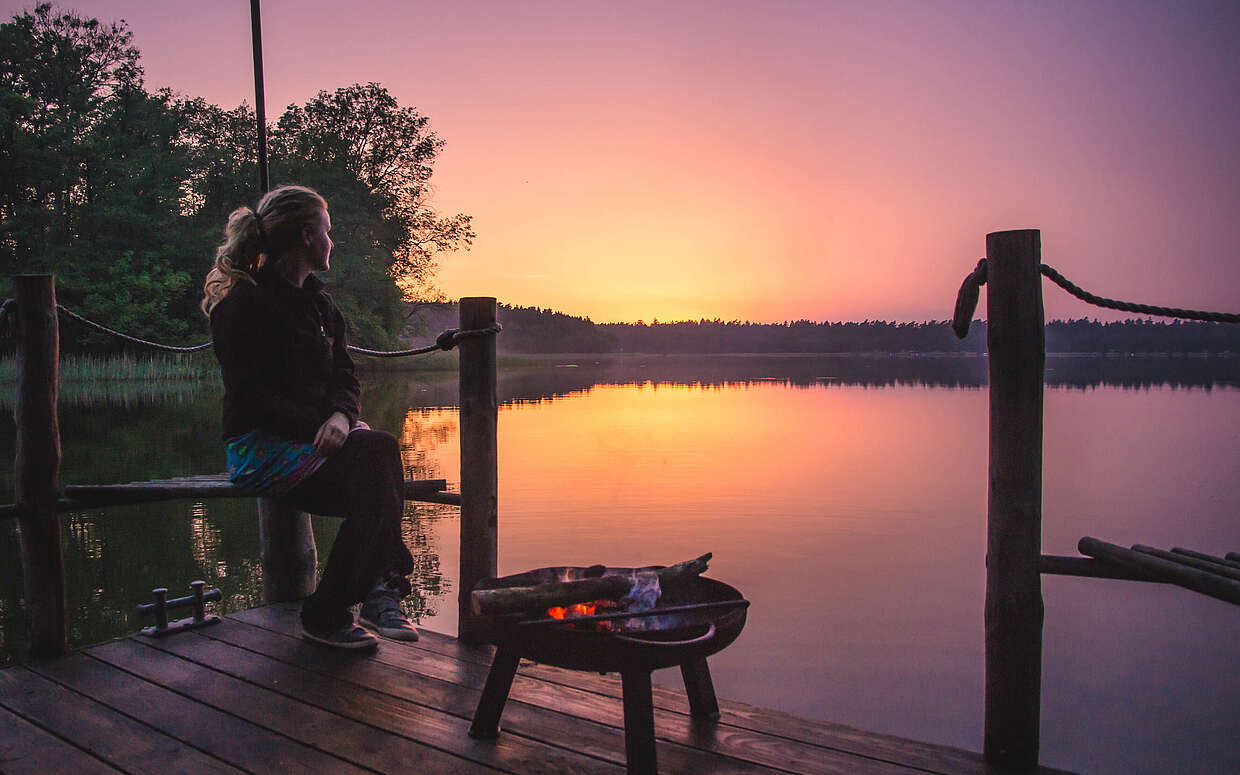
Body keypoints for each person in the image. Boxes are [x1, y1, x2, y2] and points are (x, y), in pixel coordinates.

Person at [202, 184, 419, 649]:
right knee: (378, 467)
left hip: (318, 441)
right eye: (327, 231)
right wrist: (321, 428)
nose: (332, 241)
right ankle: (363, 598)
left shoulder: (322, 305)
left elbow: (346, 375)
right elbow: (252, 396)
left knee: (377, 468)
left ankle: (350, 602)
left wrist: (342, 416)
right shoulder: (244, 306)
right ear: (305, 236)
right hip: (261, 447)